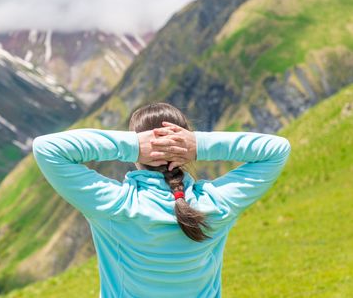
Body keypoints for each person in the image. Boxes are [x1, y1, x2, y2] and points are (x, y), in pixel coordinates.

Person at [32, 102, 291, 297]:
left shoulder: (118, 206)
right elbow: (276, 150)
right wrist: (198, 145)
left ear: (139, 152)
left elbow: (48, 148)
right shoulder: (215, 204)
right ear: (185, 149)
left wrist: (133, 145)